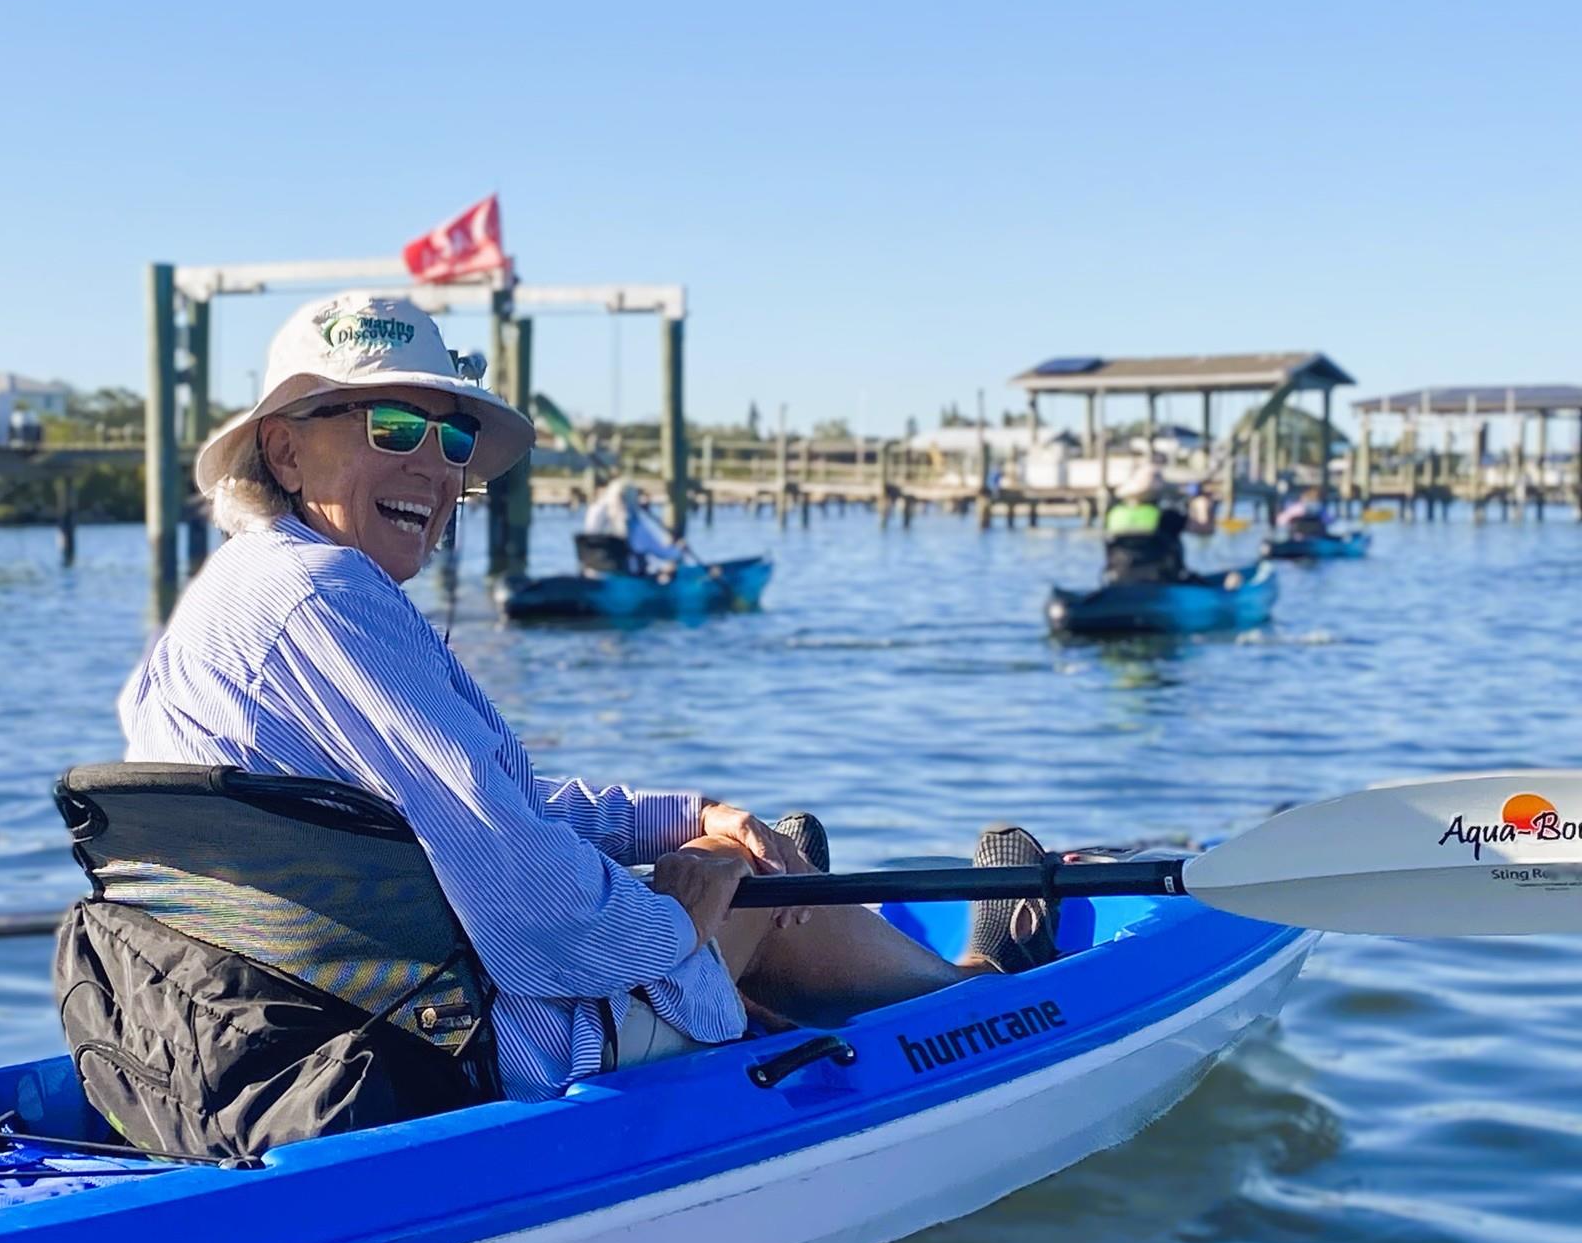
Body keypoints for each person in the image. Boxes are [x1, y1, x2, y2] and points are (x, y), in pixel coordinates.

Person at [119, 292, 1058, 1103]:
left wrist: (679, 821)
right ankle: (984, 995)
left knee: (708, 869)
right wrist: (688, 911)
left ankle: (775, 960)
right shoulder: (327, 596)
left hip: (275, 1034)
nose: (437, 466)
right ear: (283, 453)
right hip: (465, 1054)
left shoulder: (231, 605)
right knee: (751, 893)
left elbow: (480, 804)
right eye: (394, 429)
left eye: (451, 439)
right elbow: (534, 909)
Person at [1103, 464, 1215, 583]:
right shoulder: (1167, 517)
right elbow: (1205, 529)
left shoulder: (1113, 514)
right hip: (1163, 581)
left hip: (1120, 581)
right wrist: (1201, 504)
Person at [581, 478, 684, 575]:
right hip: (628, 580)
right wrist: (679, 549)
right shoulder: (634, 526)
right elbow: (665, 554)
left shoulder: (596, 520)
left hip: (595, 576)